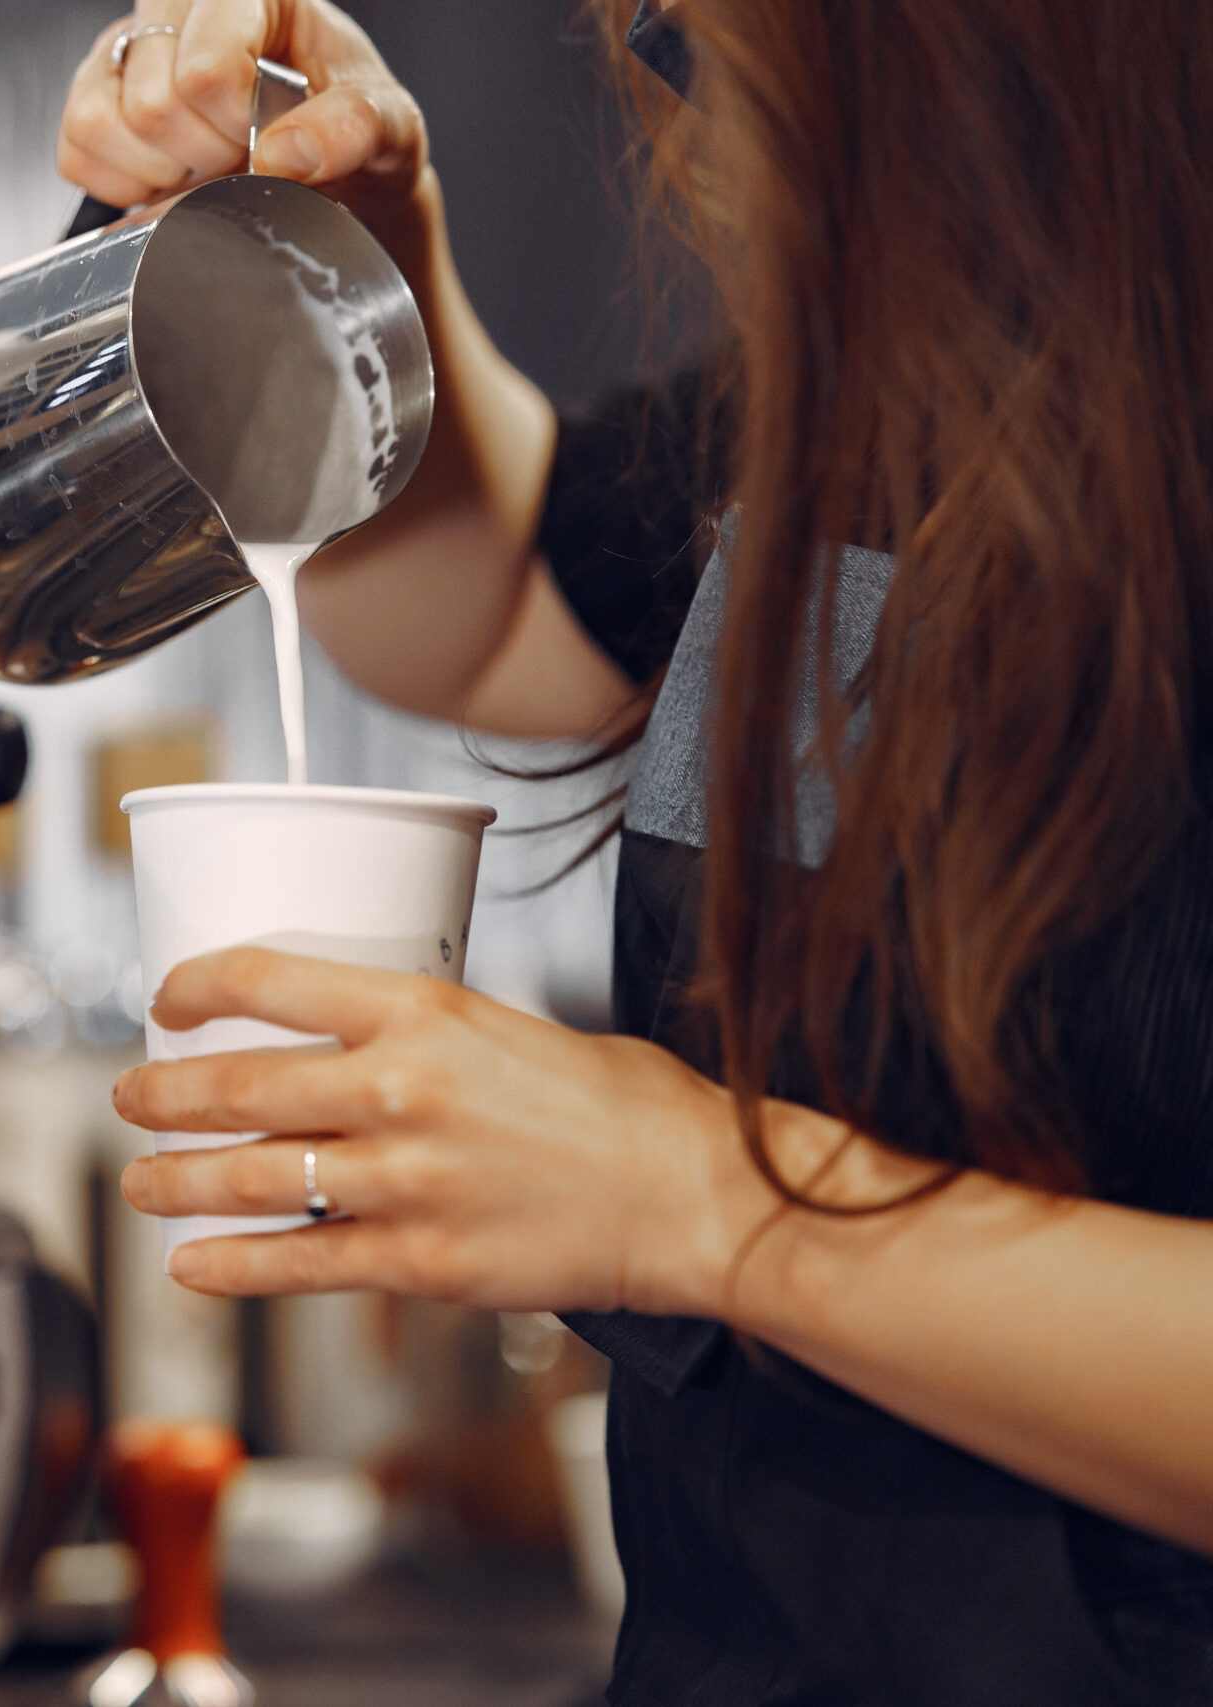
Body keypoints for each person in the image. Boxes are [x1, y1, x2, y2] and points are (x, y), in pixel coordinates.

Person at [60, 2, 1213, 1700]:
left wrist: (687, 1204)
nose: (670, 121)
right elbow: (497, 603)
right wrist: (372, 258)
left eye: (697, 51)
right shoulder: (877, 406)